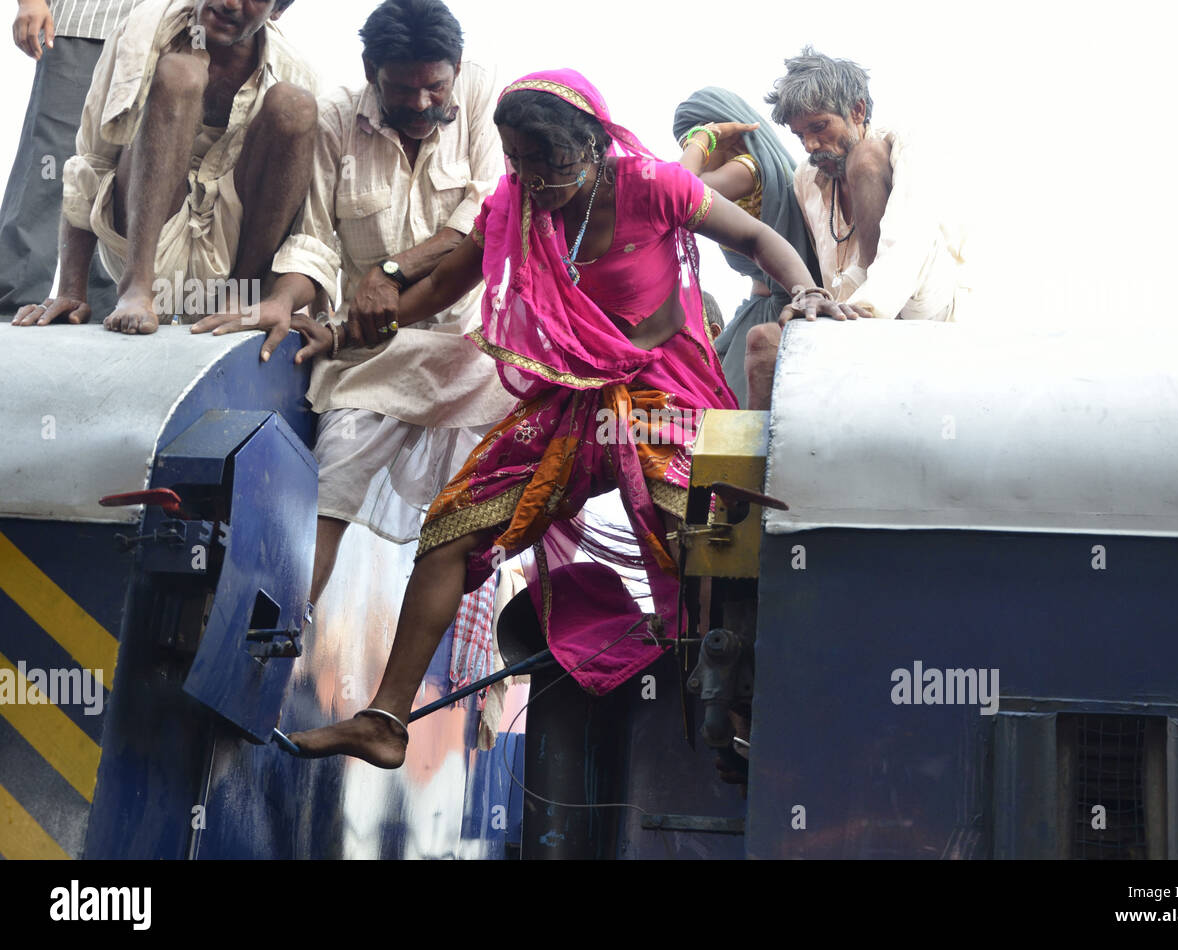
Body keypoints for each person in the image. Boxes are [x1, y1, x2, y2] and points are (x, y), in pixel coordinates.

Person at [285, 69, 855, 768]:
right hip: (570, 397)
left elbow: (759, 239)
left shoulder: (653, 184)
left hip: (662, 391)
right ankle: (383, 721)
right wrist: (342, 334)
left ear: (588, 144)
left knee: (697, 529)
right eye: (517, 161)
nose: (531, 178)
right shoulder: (515, 203)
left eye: (545, 161)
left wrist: (808, 294)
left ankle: (739, 715)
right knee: (452, 527)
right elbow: (439, 285)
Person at [191, 0, 514, 608]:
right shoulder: (336, 119)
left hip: (472, 351)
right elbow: (312, 240)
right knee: (330, 484)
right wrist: (281, 301)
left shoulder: (481, 94)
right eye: (402, 89)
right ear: (370, 70)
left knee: (474, 525)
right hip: (369, 350)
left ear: (457, 69)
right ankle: (279, 635)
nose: (421, 103)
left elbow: (484, 217)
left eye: (434, 87)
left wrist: (388, 272)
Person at [12, 0, 318, 333]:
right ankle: (137, 288)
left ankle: (239, 299)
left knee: (295, 105)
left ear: (277, 10)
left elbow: (311, 221)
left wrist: (303, 309)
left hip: (232, 256)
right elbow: (92, 160)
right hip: (145, 238)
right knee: (180, 73)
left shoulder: (293, 70)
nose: (229, 3)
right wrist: (71, 290)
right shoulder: (142, 32)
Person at [746, 47, 964, 409]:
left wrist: (861, 314)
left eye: (819, 127)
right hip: (848, 318)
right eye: (801, 135)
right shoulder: (806, 178)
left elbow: (908, 247)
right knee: (764, 342)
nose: (811, 145)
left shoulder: (905, 143)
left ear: (857, 111)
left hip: (921, 309)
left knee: (865, 157)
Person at [672, 87, 821, 408]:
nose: (694, 153)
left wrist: (700, 141)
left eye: (696, 143)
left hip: (771, 313)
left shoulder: (746, 168)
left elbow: (677, 191)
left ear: (725, 136)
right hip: (756, 307)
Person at [1, 0, 143, 320]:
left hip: (168, 30)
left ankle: (103, 311)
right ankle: (9, 308)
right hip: (85, 23)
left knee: (127, 178)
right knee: (49, 169)